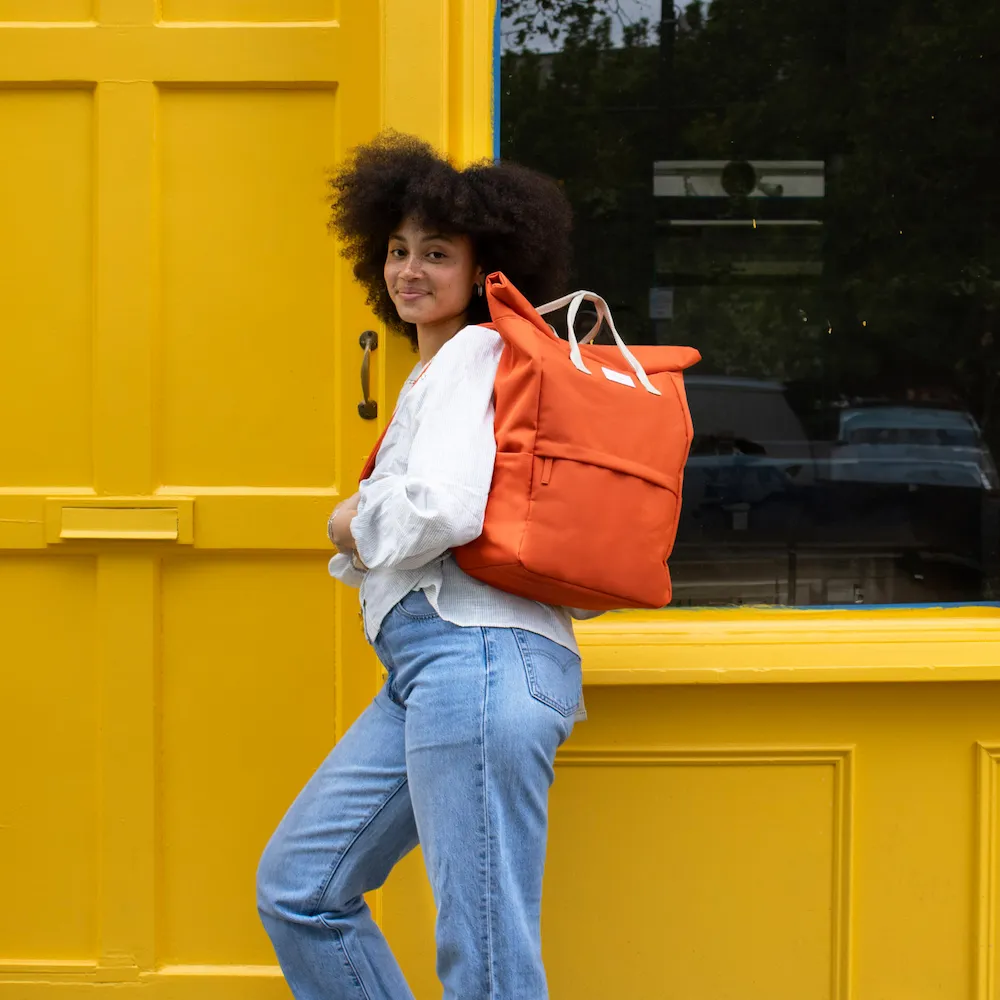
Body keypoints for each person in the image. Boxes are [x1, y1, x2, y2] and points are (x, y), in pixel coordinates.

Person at [256, 131, 595, 1000]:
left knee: (484, 964)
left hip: (474, 662)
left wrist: (348, 524)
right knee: (303, 888)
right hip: (436, 668)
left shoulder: (474, 355)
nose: (410, 269)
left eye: (437, 253)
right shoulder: (439, 369)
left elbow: (440, 508)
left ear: (487, 271)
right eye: (399, 250)